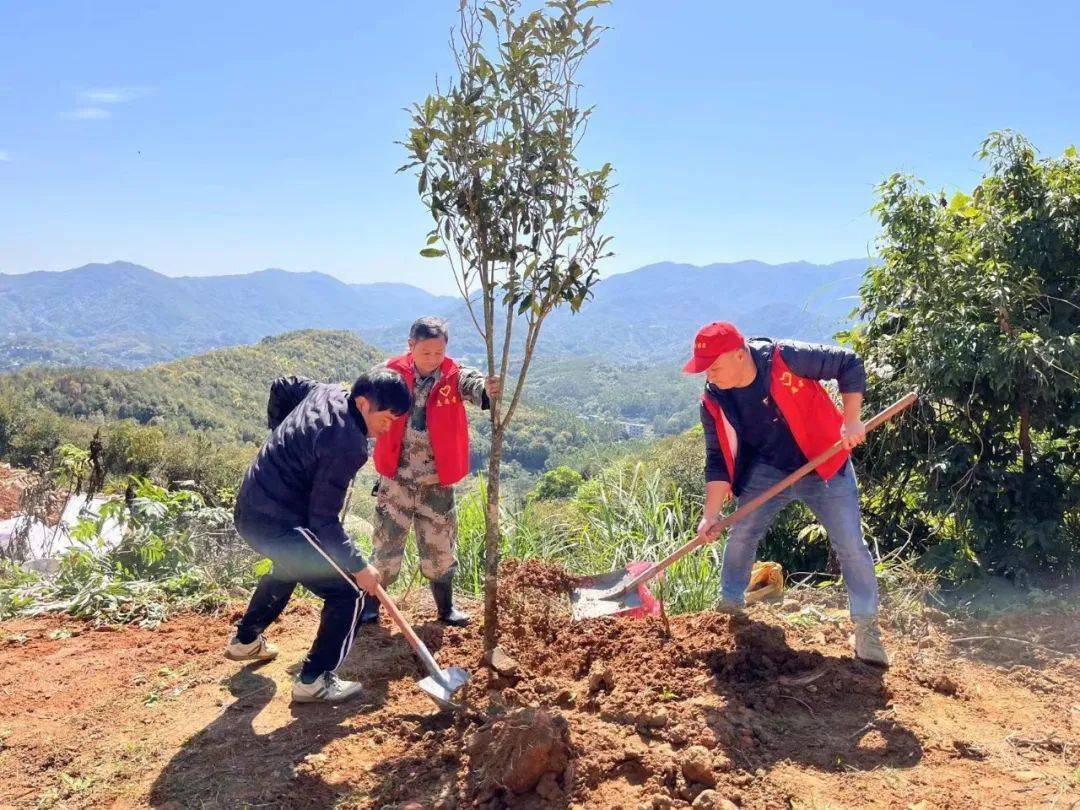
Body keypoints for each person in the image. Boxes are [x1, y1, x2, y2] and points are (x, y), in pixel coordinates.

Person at [684, 321, 889, 666]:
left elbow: (848, 362)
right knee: (743, 533)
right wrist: (710, 515)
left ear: (739, 354)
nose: (710, 375)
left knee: (850, 545)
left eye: (714, 366)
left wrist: (851, 420)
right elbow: (718, 458)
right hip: (768, 468)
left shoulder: (785, 358)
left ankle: (866, 627)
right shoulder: (714, 399)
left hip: (823, 463)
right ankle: (730, 608)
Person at [224, 367, 411, 703]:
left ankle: (245, 640)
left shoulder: (328, 391)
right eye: (386, 418)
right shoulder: (348, 445)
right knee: (351, 591)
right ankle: (314, 679)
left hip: (251, 506)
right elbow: (324, 520)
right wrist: (360, 567)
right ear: (364, 403)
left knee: (292, 565)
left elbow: (283, 383)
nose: (389, 427)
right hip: (278, 522)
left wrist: (278, 435)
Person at [362, 316, 501, 627]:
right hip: (395, 478)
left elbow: (476, 387)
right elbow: (362, 401)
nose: (433, 360)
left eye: (439, 352)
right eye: (426, 353)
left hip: (437, 482)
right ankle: (371, 608)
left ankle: (446, 609)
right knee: (385, 546)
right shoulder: (390, 373)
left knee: (440, 549)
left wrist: (489, 389)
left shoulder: (453, 375)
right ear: (411, 346)